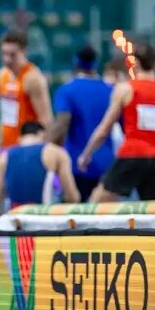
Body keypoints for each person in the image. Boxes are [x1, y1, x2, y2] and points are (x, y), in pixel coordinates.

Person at [78, 43, 155, 202]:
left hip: (131, 154)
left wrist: (86, 154)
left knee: (97, 202)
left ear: (136, 63)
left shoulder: (125, 89)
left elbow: (104, 129)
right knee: (153, 211)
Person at [48, 46, 114, 201]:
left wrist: (48, 150)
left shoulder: (67, 91)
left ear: (76, 63)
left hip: (77, 164)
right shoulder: (110, 91)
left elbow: (62, 125)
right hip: (106, 164)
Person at [0, 121, 80, 219]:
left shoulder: (3, 158)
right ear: (42, 135)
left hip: (16, 222)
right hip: (44, 222)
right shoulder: (56, 152)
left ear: (20, 138)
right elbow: (72, 197)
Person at [0, 30, 52, 151]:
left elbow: (46, 119)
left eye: (13, 55)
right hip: (8, 146)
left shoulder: (33, 78)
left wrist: (43, 149)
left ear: (24, 51)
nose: (7, 59)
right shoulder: (1, 75)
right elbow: (5, 117)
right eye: (4, 54)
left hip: (27, 147)